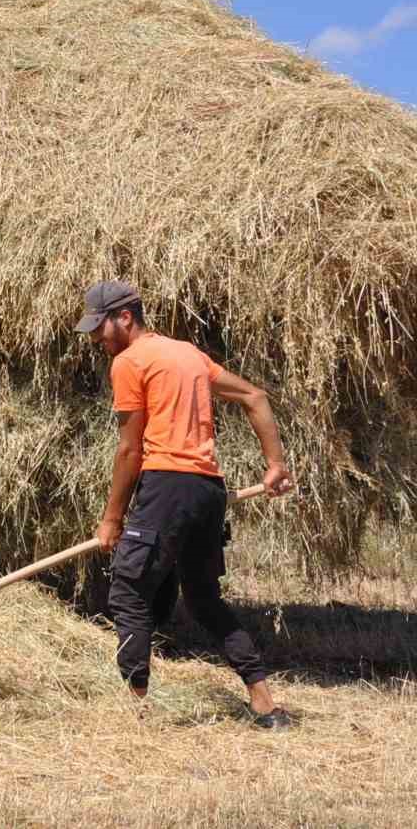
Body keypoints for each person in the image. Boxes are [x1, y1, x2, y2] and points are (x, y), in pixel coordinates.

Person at [75, 281, 294, 728]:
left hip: (166, 486)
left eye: (100, 328)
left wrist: (112, 519)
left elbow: (130, 450)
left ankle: (134, 711)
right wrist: (275, 464)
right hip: (208, 489)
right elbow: (256, 396)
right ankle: (265, 705)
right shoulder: (188, 354)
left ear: (125, 318)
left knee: (129, 591)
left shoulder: (129, 361)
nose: (97, 339)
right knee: (203, 598)